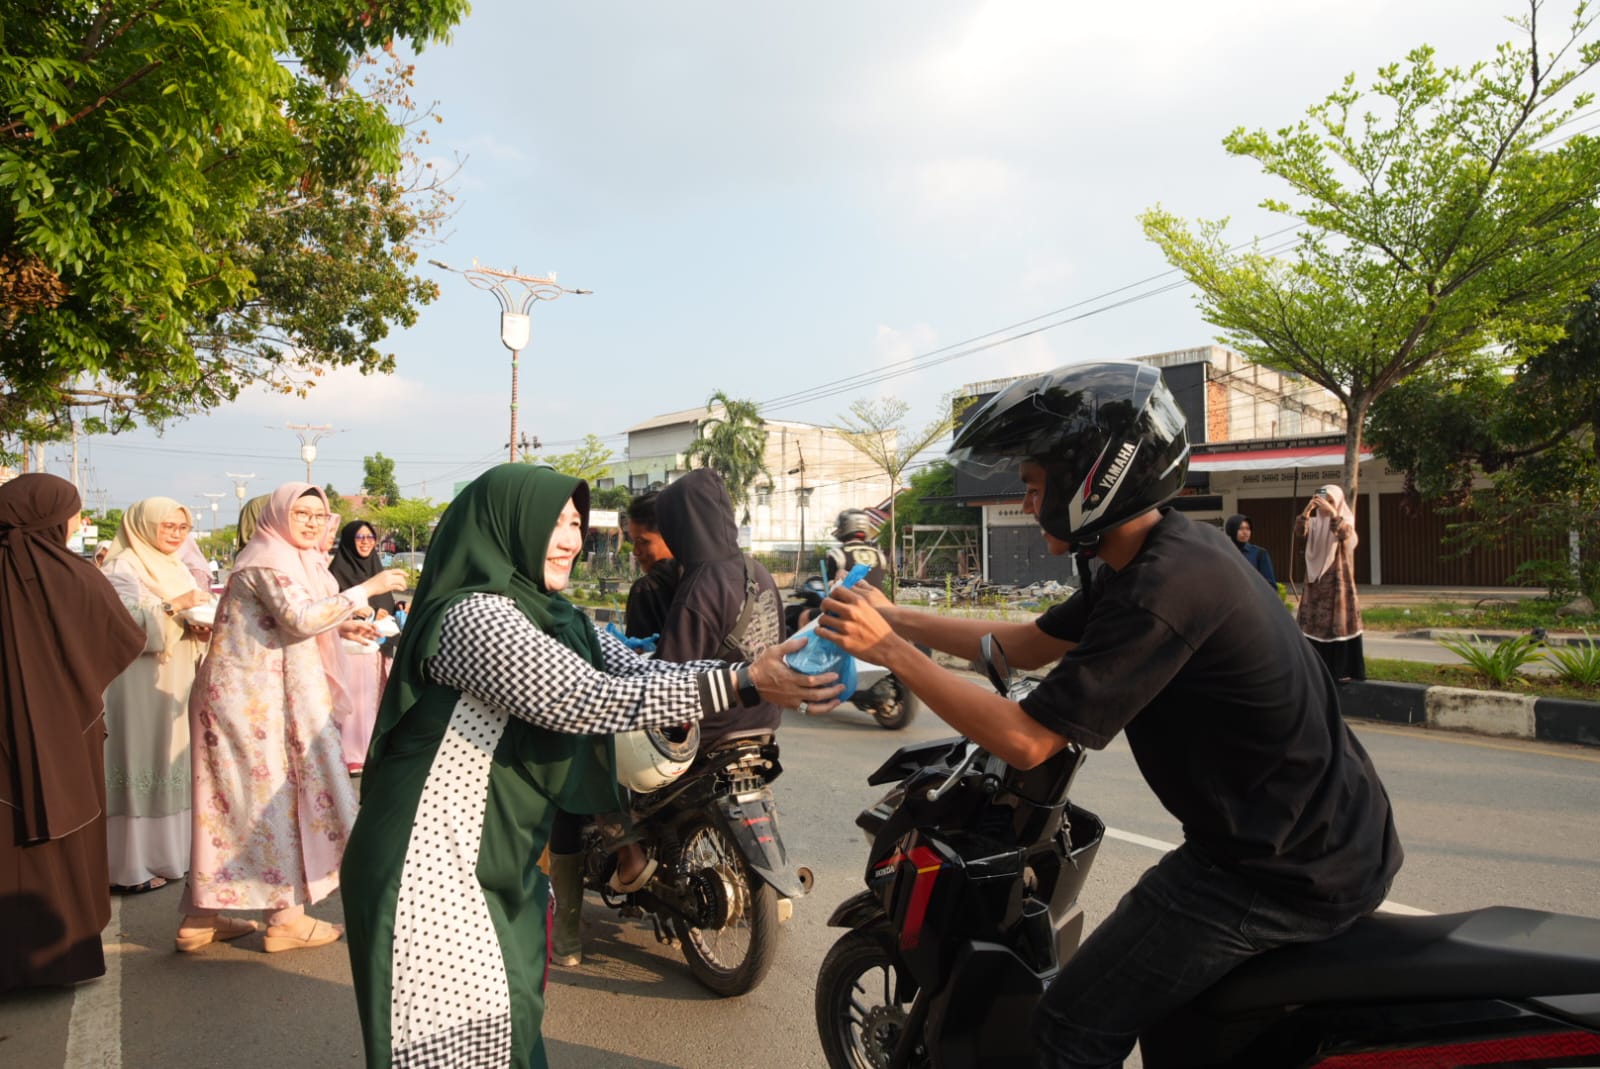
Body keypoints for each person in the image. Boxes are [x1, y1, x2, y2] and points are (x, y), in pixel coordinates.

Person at [814, 362, 1403, 1068]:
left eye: (1035, 485)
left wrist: (891, 653)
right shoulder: (1147, 553)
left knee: (1068, 1025)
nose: (1028, 502)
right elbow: (1026, 644)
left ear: (1090, 482)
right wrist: (895, 617)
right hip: (1315, 835)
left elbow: (1028, 740)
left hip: (1275, 870)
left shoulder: (1160, 589)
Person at [340, 464, 840, 1069]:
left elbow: (643, 672)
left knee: (508, 1029)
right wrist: (744, 680)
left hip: (496, 858)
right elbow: (584, 697)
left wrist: (756, 674)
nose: (570, 540)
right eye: (552, 523)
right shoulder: (471, 615)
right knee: (454, 1048)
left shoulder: (557, 616)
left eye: (576, 524)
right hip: (430, 866)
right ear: (505, 525)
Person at [547, 469, 786, 965]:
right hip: (763, 719)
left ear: (679, 525)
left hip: (710, 723)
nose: (639, 550)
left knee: (586, 757)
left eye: (648, 538)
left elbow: (670, 679)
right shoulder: (758, 571)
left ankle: (622, 860)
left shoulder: (697, 583)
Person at [177, 484, 407, 955]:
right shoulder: (268, 559)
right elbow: (299, 618)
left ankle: (201, 918)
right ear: (278, 514)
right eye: (301, 513)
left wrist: (342, 625)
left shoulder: (286, 559)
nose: (311, 522)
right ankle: (286, 920)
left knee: (231, 806)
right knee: (272, 803)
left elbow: (287, 620)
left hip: (255, 700)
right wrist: (365, 591)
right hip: (252, 706)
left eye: (319, 515)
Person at [0, 474, 145, 993]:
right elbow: (120, 637)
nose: (78, 522)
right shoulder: (73, 575)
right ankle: (58, 958)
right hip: (63, 731)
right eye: (75, 514)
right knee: (56, 833)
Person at [100, 499, 212, 895]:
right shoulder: (122, 566)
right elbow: (120, 624)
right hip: (135, 681)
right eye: (167, 526)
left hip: (174, 676)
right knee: (139, 758)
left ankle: (169, 856)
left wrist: (197, 629)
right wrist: (176, 606)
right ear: (144, 525)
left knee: (169, 758)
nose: (176, 534)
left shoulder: (175, 565)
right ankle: (130, 867)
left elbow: (181, 619)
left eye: (182, 527)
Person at [329, 519, 398, 773]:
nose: (366, 542)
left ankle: (372, 749)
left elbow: (386, 603)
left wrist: (386, 611)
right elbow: (327, 607)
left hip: (378, 647)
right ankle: (351, 753)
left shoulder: (376, 569)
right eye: (360, 537)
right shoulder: (335, 574)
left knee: (374, 698)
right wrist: (352, 611)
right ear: (349, 541)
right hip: (352, 648)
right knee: (355, 702)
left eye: (370, 537)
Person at [1295, 484, 1366, 682]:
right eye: (1323, 499)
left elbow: (1345, 534)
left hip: (1337, 582)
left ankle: (1341, 670)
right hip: (1315, 582)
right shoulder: (1314, 523)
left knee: (1338, 623)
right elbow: (1300, 532)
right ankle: (1314, 669)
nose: (1326, 504)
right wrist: (1307, 511)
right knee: (1312, 624)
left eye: (1331, 500)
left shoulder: (1345, 520)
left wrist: (1334, 512)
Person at [622, 490, 680, 640]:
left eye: (642, 542)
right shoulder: (712, 578)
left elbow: (638, 652)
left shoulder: (646, 589)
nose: (635, 551)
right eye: (633, 541)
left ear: (671, 536)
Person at [824, 508, 886, 588]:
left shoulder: (837, 554)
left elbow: (830, 587)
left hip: (850, 596)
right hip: (877, 596)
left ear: (844, 527)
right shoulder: (880, 555)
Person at [1224, 512, 1276, 589]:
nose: (1245, 532)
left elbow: (1270, 585)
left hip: (1254, 595)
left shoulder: (1260, 553)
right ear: (1232, 530)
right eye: (1241, 528)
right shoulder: (1224, 552)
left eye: (1248, 529)